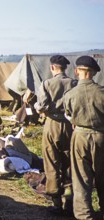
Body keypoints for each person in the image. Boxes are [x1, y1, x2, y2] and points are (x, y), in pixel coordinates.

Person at [34, 55, 77, 216]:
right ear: (65, 68)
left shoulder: (47, 83)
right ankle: (70, 201)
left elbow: (42, 106)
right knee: (70, 163)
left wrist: (36, 106)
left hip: (51, 125)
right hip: (69, 125)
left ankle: (56, 203)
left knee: (51, 163)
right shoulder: (74, 83)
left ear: (52, 67)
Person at [63, 56, 104, 220]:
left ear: (76, 71)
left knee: (81, 178)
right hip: (102, 135)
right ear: (93, 73)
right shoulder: (102, 92)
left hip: (80, 136)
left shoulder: (70, 94)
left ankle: (84, 215)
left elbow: (68, 115)